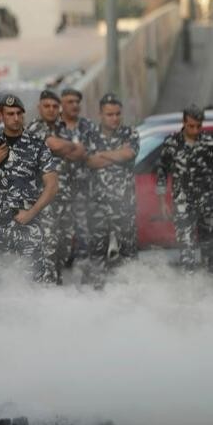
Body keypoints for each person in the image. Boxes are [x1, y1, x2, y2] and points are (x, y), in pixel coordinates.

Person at [0, 94, 58, 282]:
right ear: (2, 115)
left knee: (34, 284)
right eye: (10, 114)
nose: (16, 118)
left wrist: (31, 213)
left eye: (19, 113)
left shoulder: (37, 145)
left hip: (29, 227)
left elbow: (52, 185)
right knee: (3, 285)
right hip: (0, 229)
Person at [26, 90, 84, 284]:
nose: (51, 110)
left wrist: (66, 146)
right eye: (46, 106)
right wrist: (70, 146)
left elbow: (79, 153)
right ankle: (46, 293)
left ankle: (56, 287)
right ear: (39, 108)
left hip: (66, 199)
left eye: (54, 106)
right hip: (45, 201)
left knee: (64, 247)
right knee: (48, 247)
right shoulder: (35, 128)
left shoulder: (63, 128)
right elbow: (58, 146)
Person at [82, 94, 139, 289]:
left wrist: (103, 154)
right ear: (100, 114)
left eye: (117, 114)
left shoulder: (130, 133)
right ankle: (97, 297)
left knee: (129, 254)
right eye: (109, 114)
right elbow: (89, 161)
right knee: (97, 255)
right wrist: (117, 155)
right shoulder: (90, 135)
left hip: (124, 206)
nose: (114, 118)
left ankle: (131, 294)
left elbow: (128, 153)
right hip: (98, 205)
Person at [155, 104, 213, 273]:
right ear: (184, 122)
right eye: (191, 126)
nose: (195, 130)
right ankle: (189, 288)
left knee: (209, 247)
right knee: (186, 246)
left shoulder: (209, 142)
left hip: (208, 202)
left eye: (198, 126)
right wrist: (162, 202)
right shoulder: (172, 143)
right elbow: (161, 173)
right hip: (183, 202)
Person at [60, 87, 94, 264]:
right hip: (60, 190)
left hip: (84, 189)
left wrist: (69, 151)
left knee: (85, 232)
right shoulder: (54, 127)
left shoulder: (87, 126)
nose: (74, 105)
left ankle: (84, 272)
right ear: (61, 104)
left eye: (76, 102)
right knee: (62, 234)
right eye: (69, 102)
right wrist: (76, 151)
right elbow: (56, 151)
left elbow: (94, 153)